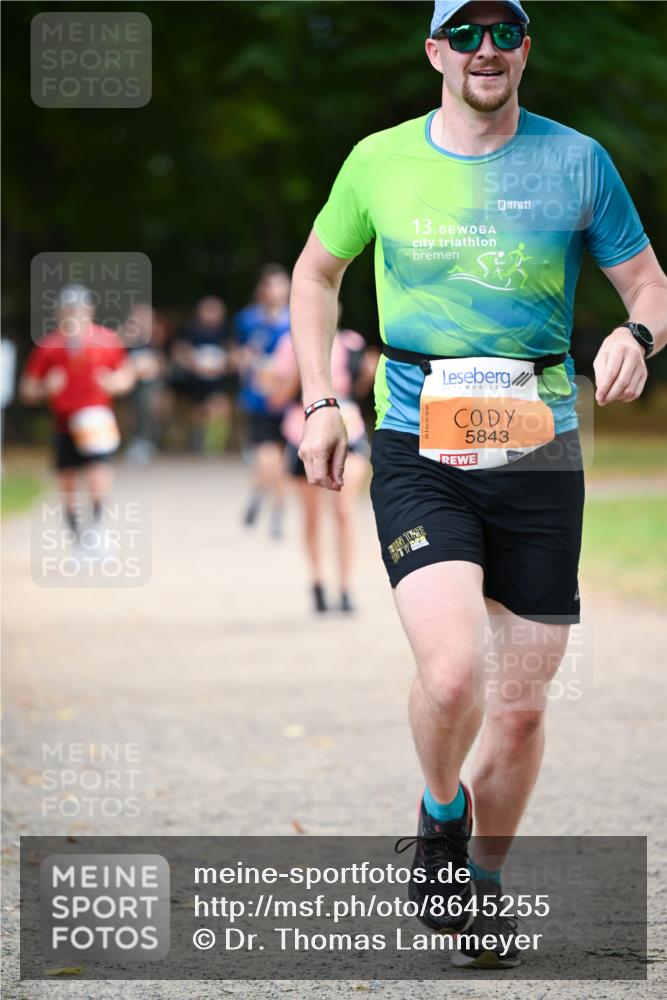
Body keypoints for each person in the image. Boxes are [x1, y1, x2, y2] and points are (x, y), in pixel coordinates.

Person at [289, 0, 667, 968]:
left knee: (522, 705)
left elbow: (648, 284)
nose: (484, 49)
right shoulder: (378, 161)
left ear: (525, 50)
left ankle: (484, 883)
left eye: (502, 33)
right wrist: (320, 399)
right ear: (435, 51)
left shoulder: (577, 161)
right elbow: (315, 275)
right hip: (417, 441)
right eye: (464, 34)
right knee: (454, 671)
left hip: (538, 449)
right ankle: (439, 812)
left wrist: (636, 335)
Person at [266, 319, 377, 614]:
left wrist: (368, 375)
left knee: (344, 510)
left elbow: (358, 391)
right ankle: (317, 582)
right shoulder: (290, 344)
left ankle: (345, 587)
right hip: (303, 431)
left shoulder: (352, 342)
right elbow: (276, 399)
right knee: (312, 514)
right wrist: (300, 373)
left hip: (348, 429)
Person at [19, 284, 135, 549]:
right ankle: (77, 538)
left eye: (79, 310)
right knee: (68, 482)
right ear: (60, 313)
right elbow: (27, 389)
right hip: (64, 422)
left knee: (98, 472)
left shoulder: (106, 340)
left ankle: (97, 528)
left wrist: (115, 382)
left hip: (96, 419)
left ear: (89, 311)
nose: (74, 315)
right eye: (69, 310)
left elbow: (126, 374)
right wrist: (45, 388)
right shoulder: (49, 346)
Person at [234, 264, 291, 539]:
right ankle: (277, 509)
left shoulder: (295, 319)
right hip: (258, 397)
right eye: (270, 285)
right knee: (268, 456)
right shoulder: (247, 320)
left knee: (279, 459)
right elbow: (238, 354)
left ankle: (261, 494)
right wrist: (245, 362)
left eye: (279, 284)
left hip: (287, 398)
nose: (274, 291)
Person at [169, 295, 235, 453]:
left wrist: (225, 364)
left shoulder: (226, 331)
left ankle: (213, 446)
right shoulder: (189, 330)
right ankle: (194, 441)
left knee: (220, 406)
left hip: (218, 380)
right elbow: (178, 351)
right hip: (193, 380)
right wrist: (192, 364)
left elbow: (233, 352)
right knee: (195, 412)